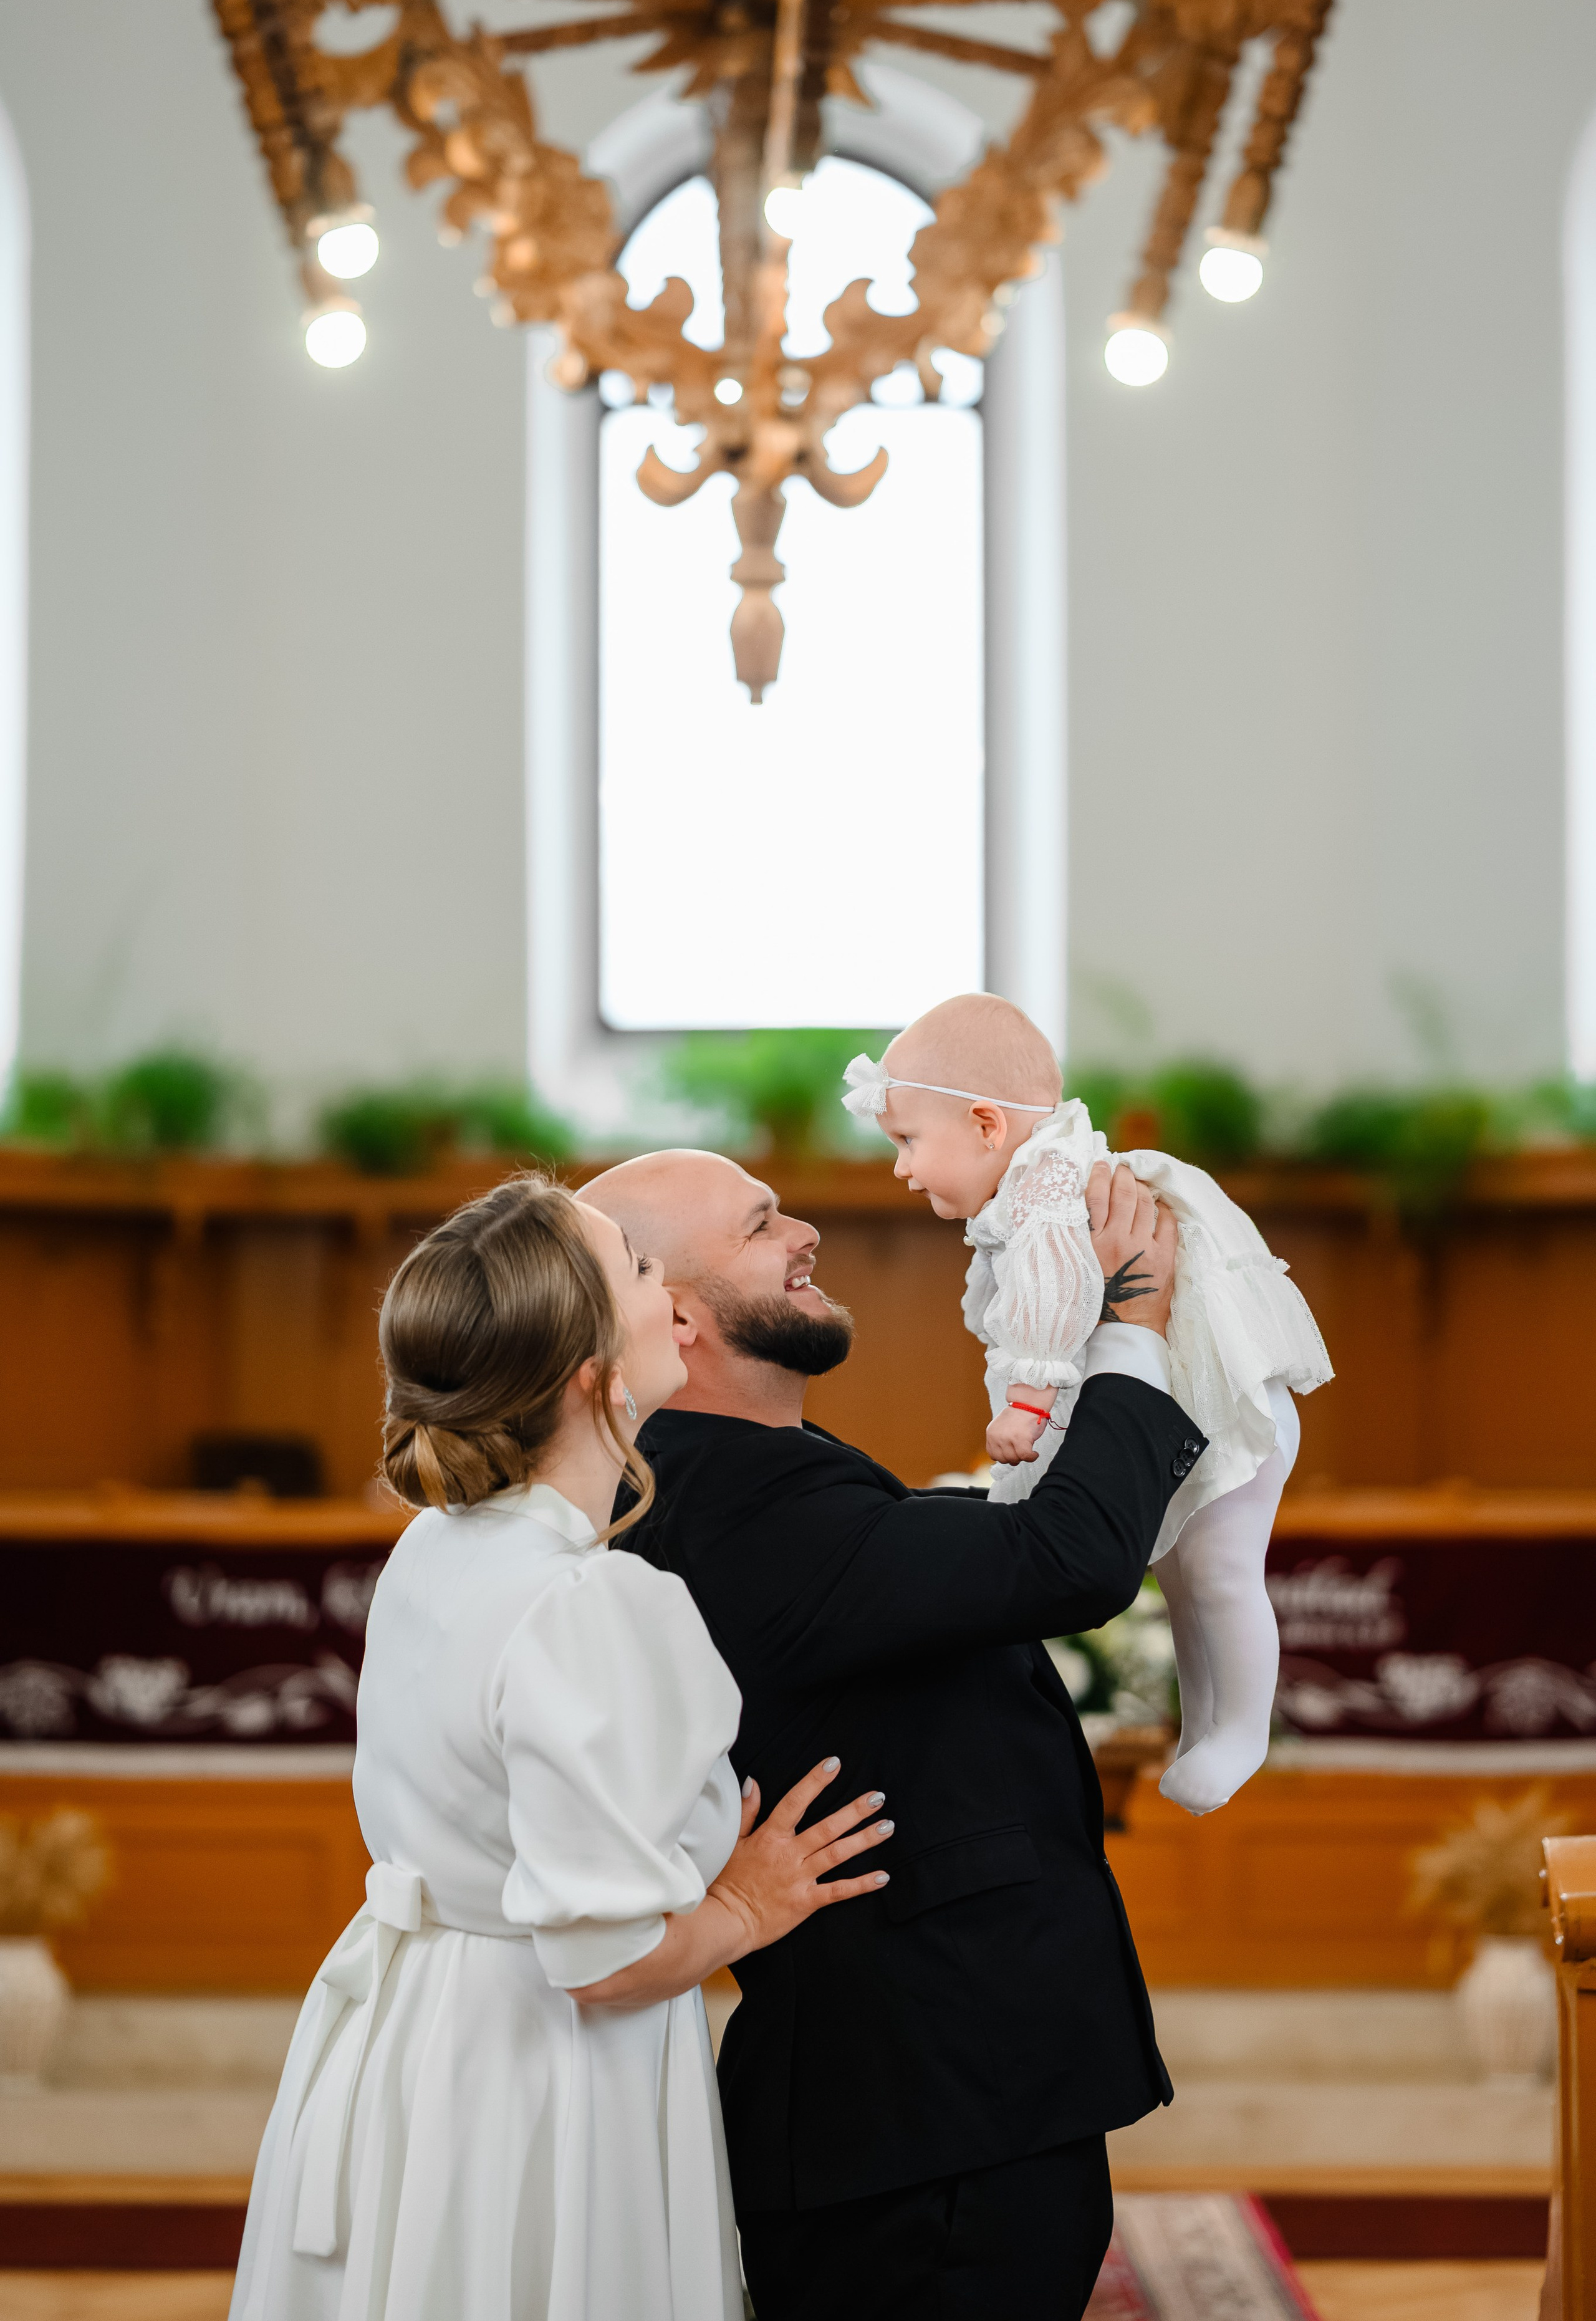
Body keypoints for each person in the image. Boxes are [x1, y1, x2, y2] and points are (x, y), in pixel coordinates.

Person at [229, 1176, 895, 2321]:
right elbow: (603, 1963)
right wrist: (743, 1904)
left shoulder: (438, 1548)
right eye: (642, 1274)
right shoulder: (590, 1601)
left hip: (422, 2042)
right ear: (596, 1373)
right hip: (541, 2081)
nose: (673, 1301)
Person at [579, 1148, 1204, 2321]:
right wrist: (1132, 1317)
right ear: (674, 1313)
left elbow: (950, 1562)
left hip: (936, 2086)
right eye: (763, 1226)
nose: (806, 1231)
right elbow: (1064, 1564)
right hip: (924, 2104)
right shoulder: (734, 1500)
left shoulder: (741, 1474)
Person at [843, 992, 1332, 1815]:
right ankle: (1206, 1727)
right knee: (1184, 1578)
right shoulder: (1047, 1180)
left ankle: (1244, 1731)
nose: (900, 1167)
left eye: (908, 1141)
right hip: (1182, 1419)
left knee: (1219, 1572)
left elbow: (1060, 1298)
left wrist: (1027, 1408)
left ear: (988, 1127)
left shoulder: (1049, 1196)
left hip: (1221, 1413)